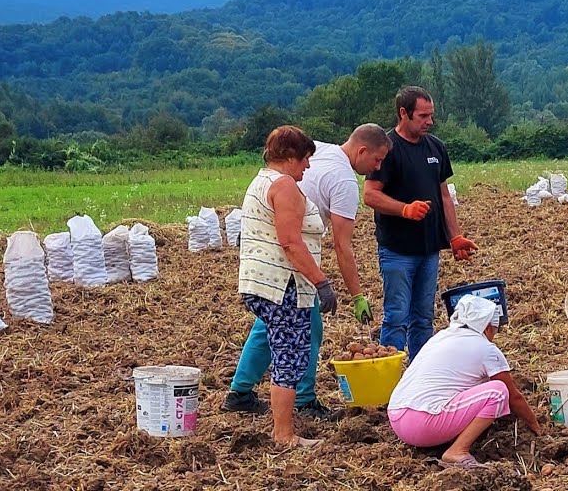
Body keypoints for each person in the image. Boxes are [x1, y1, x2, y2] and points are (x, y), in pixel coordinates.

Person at [224, 124, 393, 419]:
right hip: (286, 277)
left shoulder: (302, 160)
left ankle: (241, 392)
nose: (377, 168)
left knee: (272, 329)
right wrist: (346, 292)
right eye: (377, 160)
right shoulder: (338, 182)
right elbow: (337, 245)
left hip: (265, 276)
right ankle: (300, 405)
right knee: (297, 342)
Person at [364, 86, 476, 360]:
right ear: (404, 113)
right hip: (397, 251)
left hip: (429, 250)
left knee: (423, 318)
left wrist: (455, 236)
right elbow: (370, 194)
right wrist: (404, 209)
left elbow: (444, 196)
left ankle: (420, 375)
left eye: (431, 116)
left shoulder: (436, 147)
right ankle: (388, 380)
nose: (429, 121)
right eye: (423, 116)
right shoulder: (387, 150)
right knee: (396, 317)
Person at [236, 125, 330, 447]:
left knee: (283, 350)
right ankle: (284, 434)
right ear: (290, 156)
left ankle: (281, 428)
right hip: (282, 285)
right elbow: (290, 242)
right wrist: (321, 282)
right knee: (288, 356)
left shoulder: (260, 181)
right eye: (305, 159)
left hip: (259, 282)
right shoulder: (285, 185)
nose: (307, 166)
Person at [388, 295, 542, 469]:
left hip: (397, 418)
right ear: (488, 327)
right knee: (498, 392)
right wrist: (535, 426)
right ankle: (457, 450)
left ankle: (450, 439)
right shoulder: (486, 349)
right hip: (424, 425)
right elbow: (513, 397)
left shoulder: (441, 337)